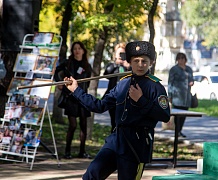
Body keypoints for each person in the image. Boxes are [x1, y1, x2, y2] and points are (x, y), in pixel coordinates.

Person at [64, 41, 170, 179]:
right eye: (136, 60)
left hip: (136, 145)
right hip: (116, 140)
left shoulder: (155, 87)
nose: (140, 64)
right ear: (130, 62)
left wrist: (141, 100)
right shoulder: (123, 83)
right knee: (91, 175)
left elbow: (164, 115)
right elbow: (99, 106)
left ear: (151, 62)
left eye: (144, 61)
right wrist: (76, 90)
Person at [54, 41, 92, 159]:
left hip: (82, 97)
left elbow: (88, 82)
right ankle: (67, 151)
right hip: (70, 97)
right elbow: (56, 71)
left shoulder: (86, 65)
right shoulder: (67, 63)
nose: (77, 51)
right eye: (75, 48)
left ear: (83, 50)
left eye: (79, 48)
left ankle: (82, 151)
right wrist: (59, 83)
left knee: (83, 125)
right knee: (73, 125)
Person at [103, 42, 131, 133]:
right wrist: (116, 64)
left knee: (124, 124)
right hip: (113, 98)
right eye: (119, 53)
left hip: (126, 98)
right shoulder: (112, 66)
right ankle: (114, 143)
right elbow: (106, 75)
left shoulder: (129, 66)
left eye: (123, 54)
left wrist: (128, 66)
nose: (120, 56)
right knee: (114, 123)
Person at [168, 52, 194, 138]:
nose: (181, 60)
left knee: (184, 115)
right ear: (177, 60)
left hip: (186, 97)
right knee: (177, 115)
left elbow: (191, 79)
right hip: (177, 96)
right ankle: (177, 131)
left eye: (183, 58)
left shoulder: (189, 69)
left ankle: (180, 131)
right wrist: (170, 95)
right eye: (179, 58)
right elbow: (170, 83)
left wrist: (191, 82)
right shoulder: (174, 69)